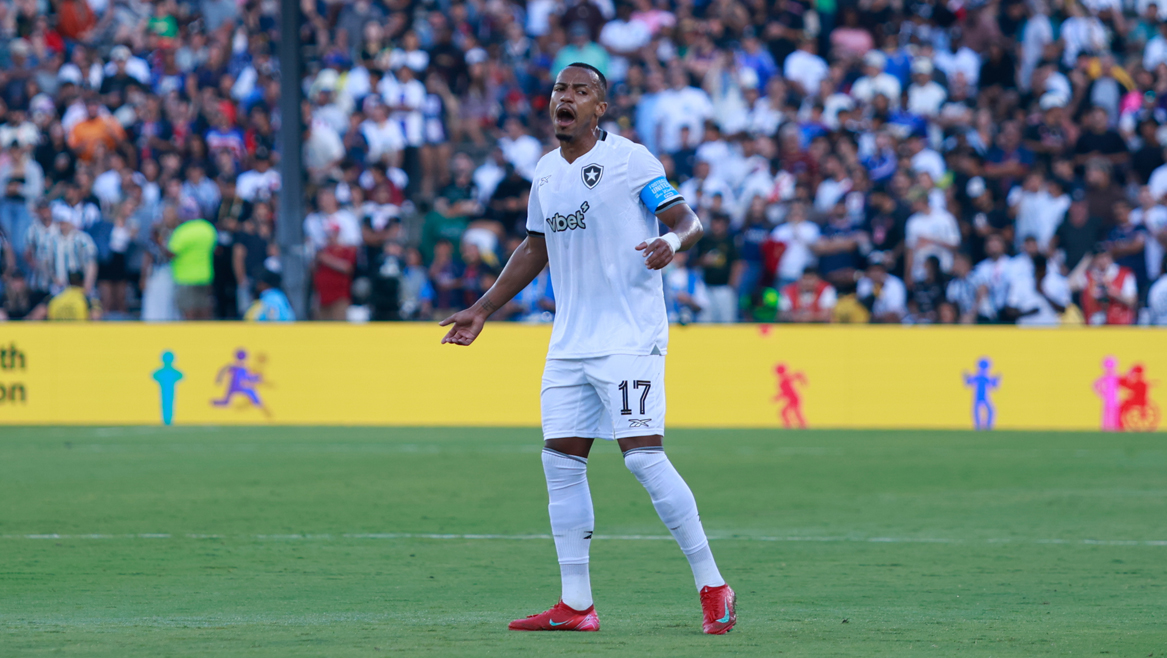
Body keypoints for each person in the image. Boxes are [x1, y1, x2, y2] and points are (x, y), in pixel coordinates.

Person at [438, 63, 735, 635]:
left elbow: (687, 219)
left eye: (580, 91)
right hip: (570, 342)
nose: (565, 99)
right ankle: (577, 605)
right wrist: (482, 308)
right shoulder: (547, 173)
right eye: (559, 91)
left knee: (643, 458)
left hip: (629, 337)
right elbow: (534, 247)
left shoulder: (632, 160)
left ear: (600, 108)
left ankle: (713, 585)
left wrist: (670, 242)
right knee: (560, 464)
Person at [168, 216, 217, 320]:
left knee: (189, 310)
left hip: (186, 277)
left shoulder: (183, 230)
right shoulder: (208, 228)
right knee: (204, 309)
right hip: (205, 275)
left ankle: (190, 335)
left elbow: (172, 253)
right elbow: (215, 249)